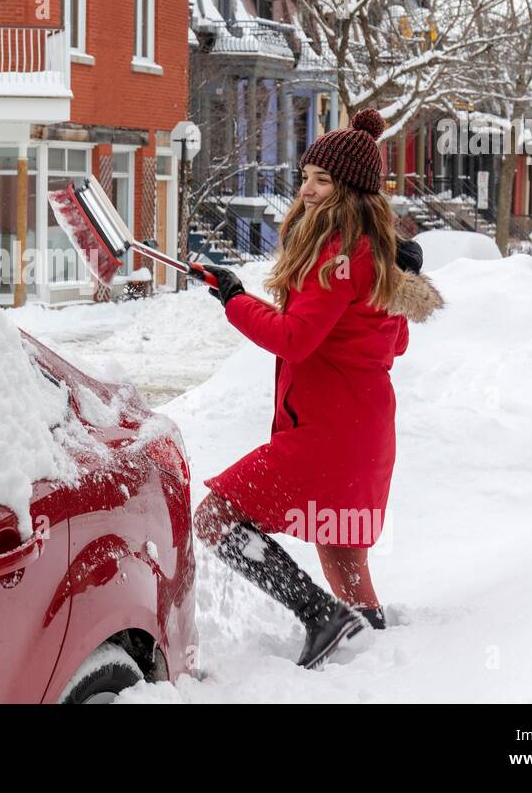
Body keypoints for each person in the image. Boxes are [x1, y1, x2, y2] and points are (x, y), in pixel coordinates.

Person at [193, 109, 444, 669]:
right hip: (366, 431)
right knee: (340, 547)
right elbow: (390, 344)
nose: (305, 189)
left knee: (214, 518)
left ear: (350, 190)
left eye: (320, 180)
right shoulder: (375, 254)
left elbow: (294, 339)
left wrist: (235, 300)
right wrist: (232, 292)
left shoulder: (335, 253)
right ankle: (376, 651)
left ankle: (322, 617)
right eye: (305, 175)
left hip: (326, 435)